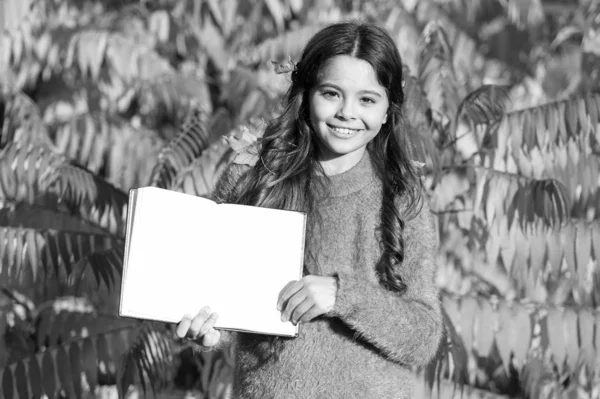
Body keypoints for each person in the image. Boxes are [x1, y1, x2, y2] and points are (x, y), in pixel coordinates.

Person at [176, 21, 443, 398]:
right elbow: (217, 296)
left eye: (367, 99)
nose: (347, 112)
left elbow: (424, 338)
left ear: (387, 110)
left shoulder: (400, 197)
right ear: (306, 95)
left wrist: (342, 296)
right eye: (331, 94)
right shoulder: (253, 177)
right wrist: (210, 333)